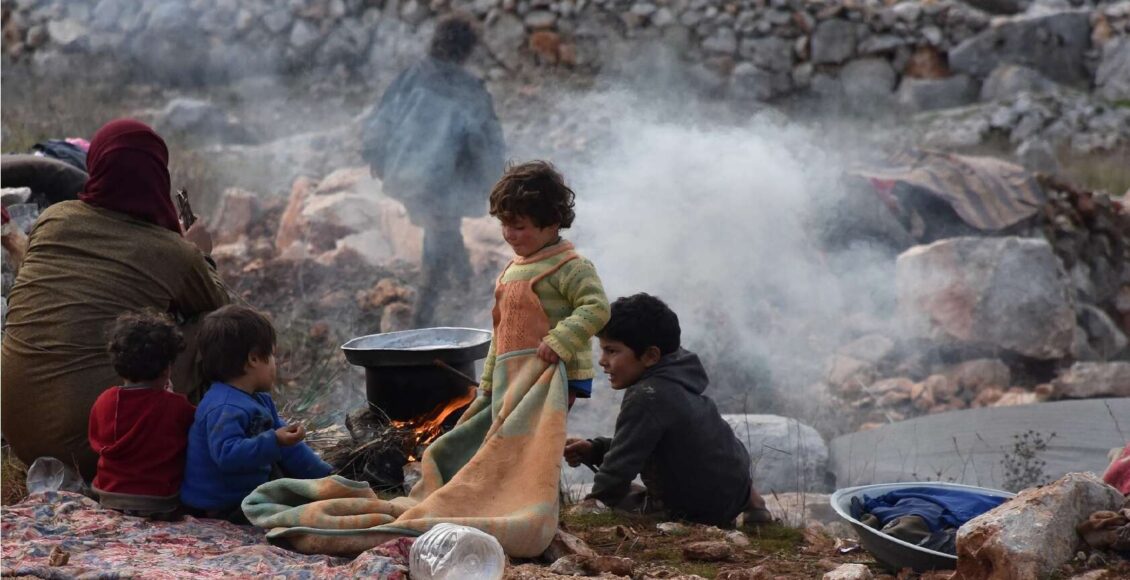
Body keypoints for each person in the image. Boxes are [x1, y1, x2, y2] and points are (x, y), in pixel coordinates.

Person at [1, 119, 229, 480]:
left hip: (18, 431)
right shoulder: (174, 253)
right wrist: (201, 255)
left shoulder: (54, 219)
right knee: (218, 332)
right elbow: (222, 310)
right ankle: (207, 453)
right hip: (100, 443)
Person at [563, 293, 772, 526]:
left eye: (612, 351)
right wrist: (596, 449)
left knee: (624, 498)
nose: (602, 360)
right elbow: (652, 444)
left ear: (650, 356)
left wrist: (595, 502)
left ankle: (699, 515)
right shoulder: (681, 378)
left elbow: (620, 466)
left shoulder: (646, 395)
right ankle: (755, 505)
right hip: (735, 491)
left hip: (691, 510)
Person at [361, 15, 505, 326]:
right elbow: (485, 143)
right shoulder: (470, 91)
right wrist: (494, 182)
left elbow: (381, 120)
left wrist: (374, 156)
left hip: (405, 175)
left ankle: (466, 284)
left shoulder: (412, 76)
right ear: (466, 51)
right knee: (439, 237)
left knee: (441, 230)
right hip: (443, 184)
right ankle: (422, 320)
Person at [180, 305, 332, 522]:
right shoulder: (223, 407)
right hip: (221, 504)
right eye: (271, 356)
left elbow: (289, 449)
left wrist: (325, 477)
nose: (274, 364)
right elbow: (227, 456)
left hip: (246, 493)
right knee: (301, 514)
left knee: (308, 498)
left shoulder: (257, 399)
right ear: (253, 359)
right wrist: (275, 440)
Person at [480, 160, 609, 408]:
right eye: (504, 224)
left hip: (555, 373)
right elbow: (502, 332)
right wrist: (488, 382)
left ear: (551, 223)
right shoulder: (512, 271)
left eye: (519, 226)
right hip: (517, 376)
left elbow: (597, 308)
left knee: (539, 440)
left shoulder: (571, 266)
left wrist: (560, 341)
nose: (509, 234)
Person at [88, 310, 196, 518]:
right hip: (160, 501)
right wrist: (170, 398)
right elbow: (196, 428)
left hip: (109, 496)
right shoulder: (176, 405)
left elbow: (96, 440)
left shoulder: (105, 400)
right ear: (167, 369)